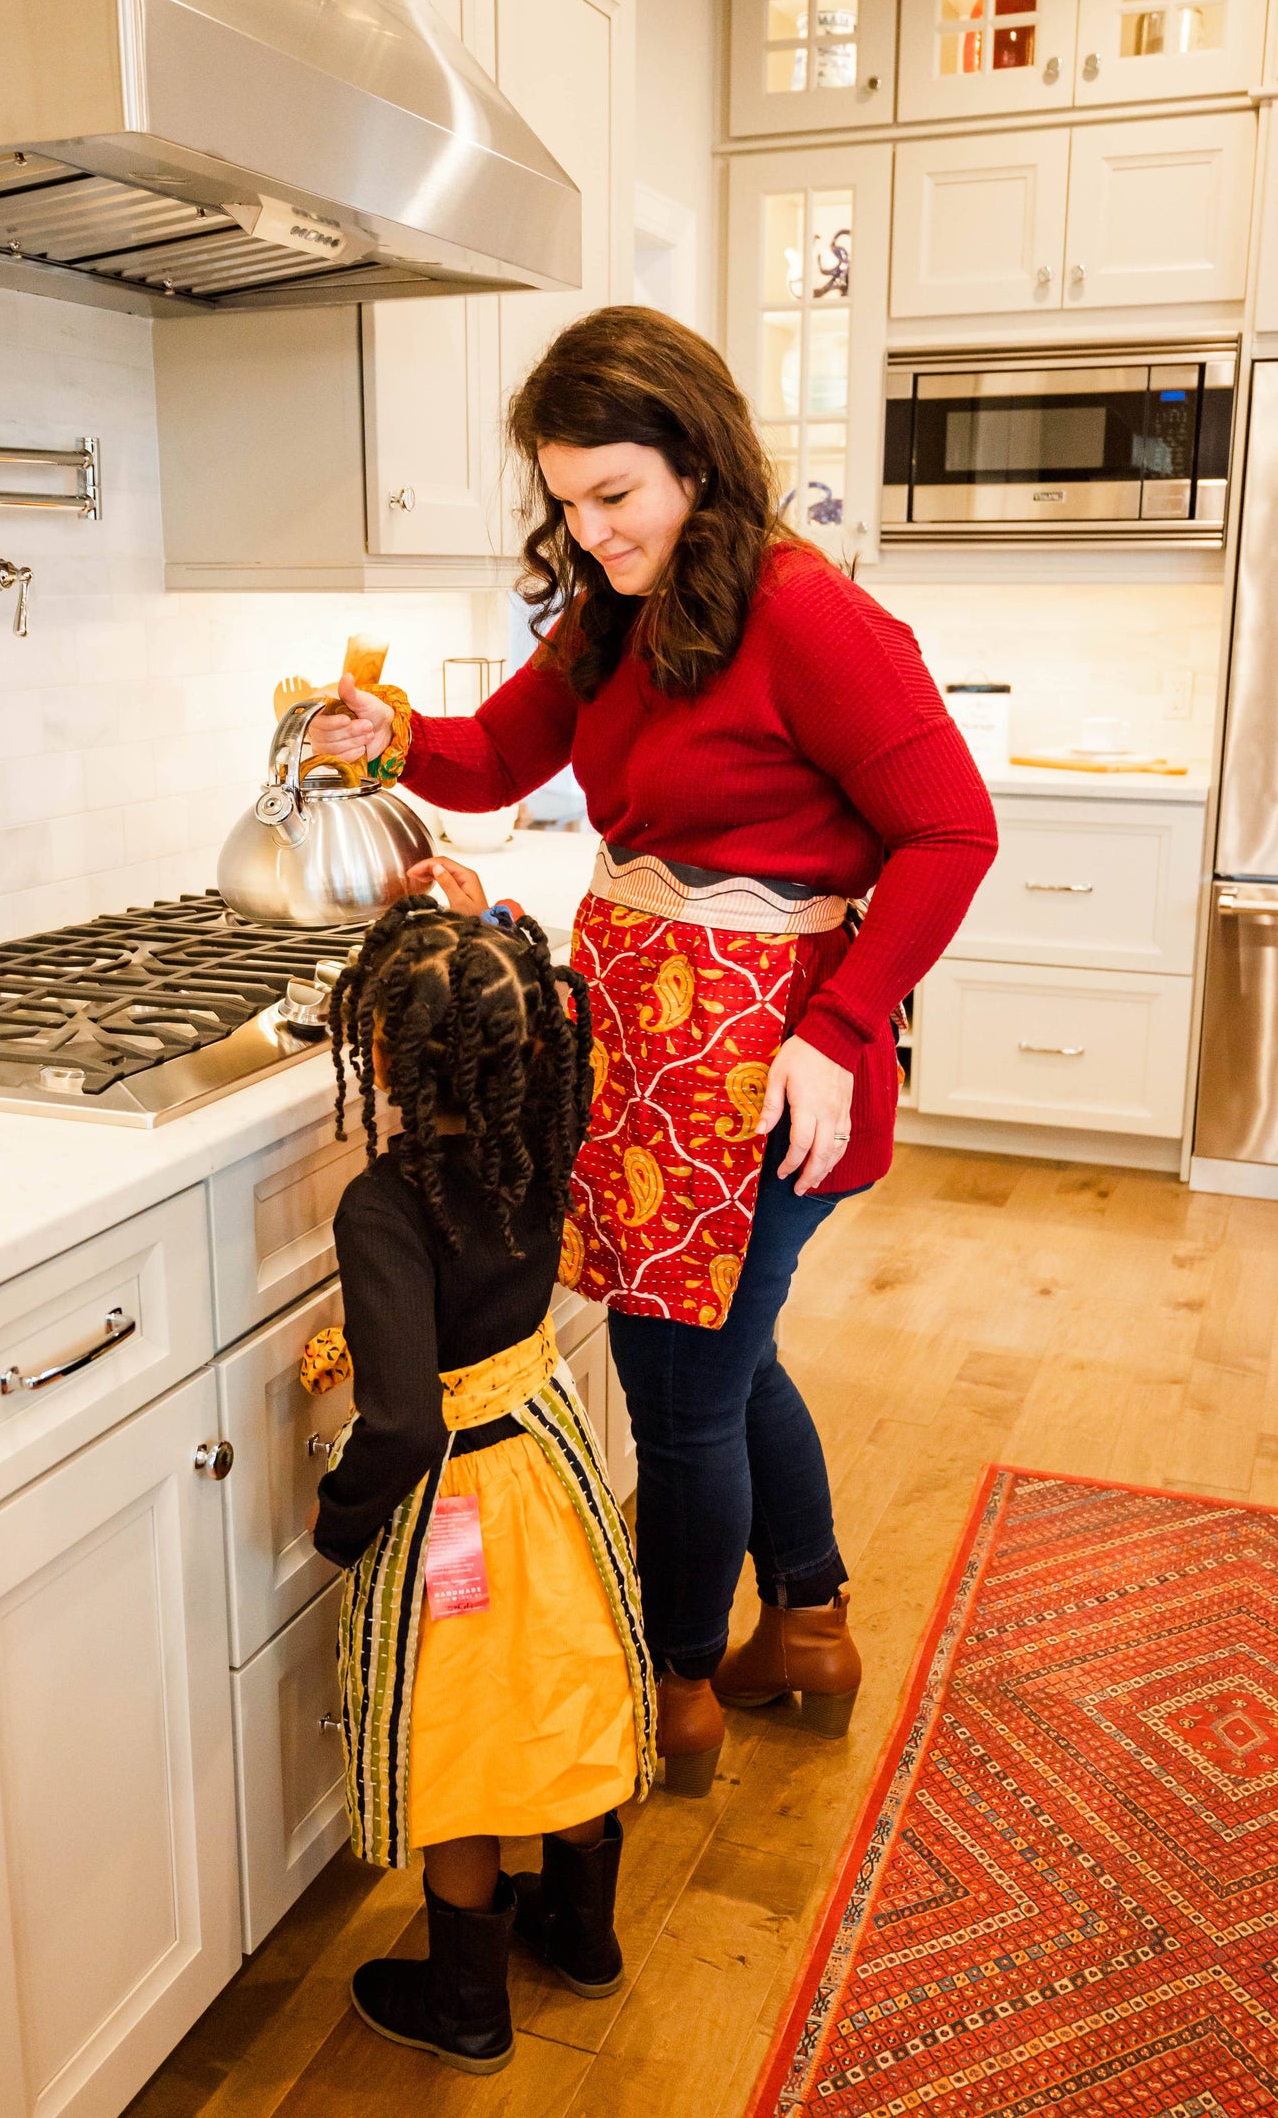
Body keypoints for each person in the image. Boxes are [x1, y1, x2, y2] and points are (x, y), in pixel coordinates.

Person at [310, 305, 1000, 1799]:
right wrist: (388, 734)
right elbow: (499, 755)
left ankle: (672, 1685)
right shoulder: (616, 607)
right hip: (643, 1046)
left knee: (676, 1383)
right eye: (566, 501)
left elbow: (952, 831)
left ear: (697, 460)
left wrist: (838, 1030)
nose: (590, 529)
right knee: (724, 1357)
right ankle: (806, 1621)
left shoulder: (809, 616)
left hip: (765, 1066)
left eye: (613, 493)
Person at [306, 896, 656, 2076]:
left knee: (462, 1740)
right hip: (548, 1466)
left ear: (386, 1055)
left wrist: (339, 1521)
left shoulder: (383, 1201)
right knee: (560, 1690)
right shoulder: (537, 1144)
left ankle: (464, 2003)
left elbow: (401, 1418)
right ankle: (583, 1933)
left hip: (454, 1504)